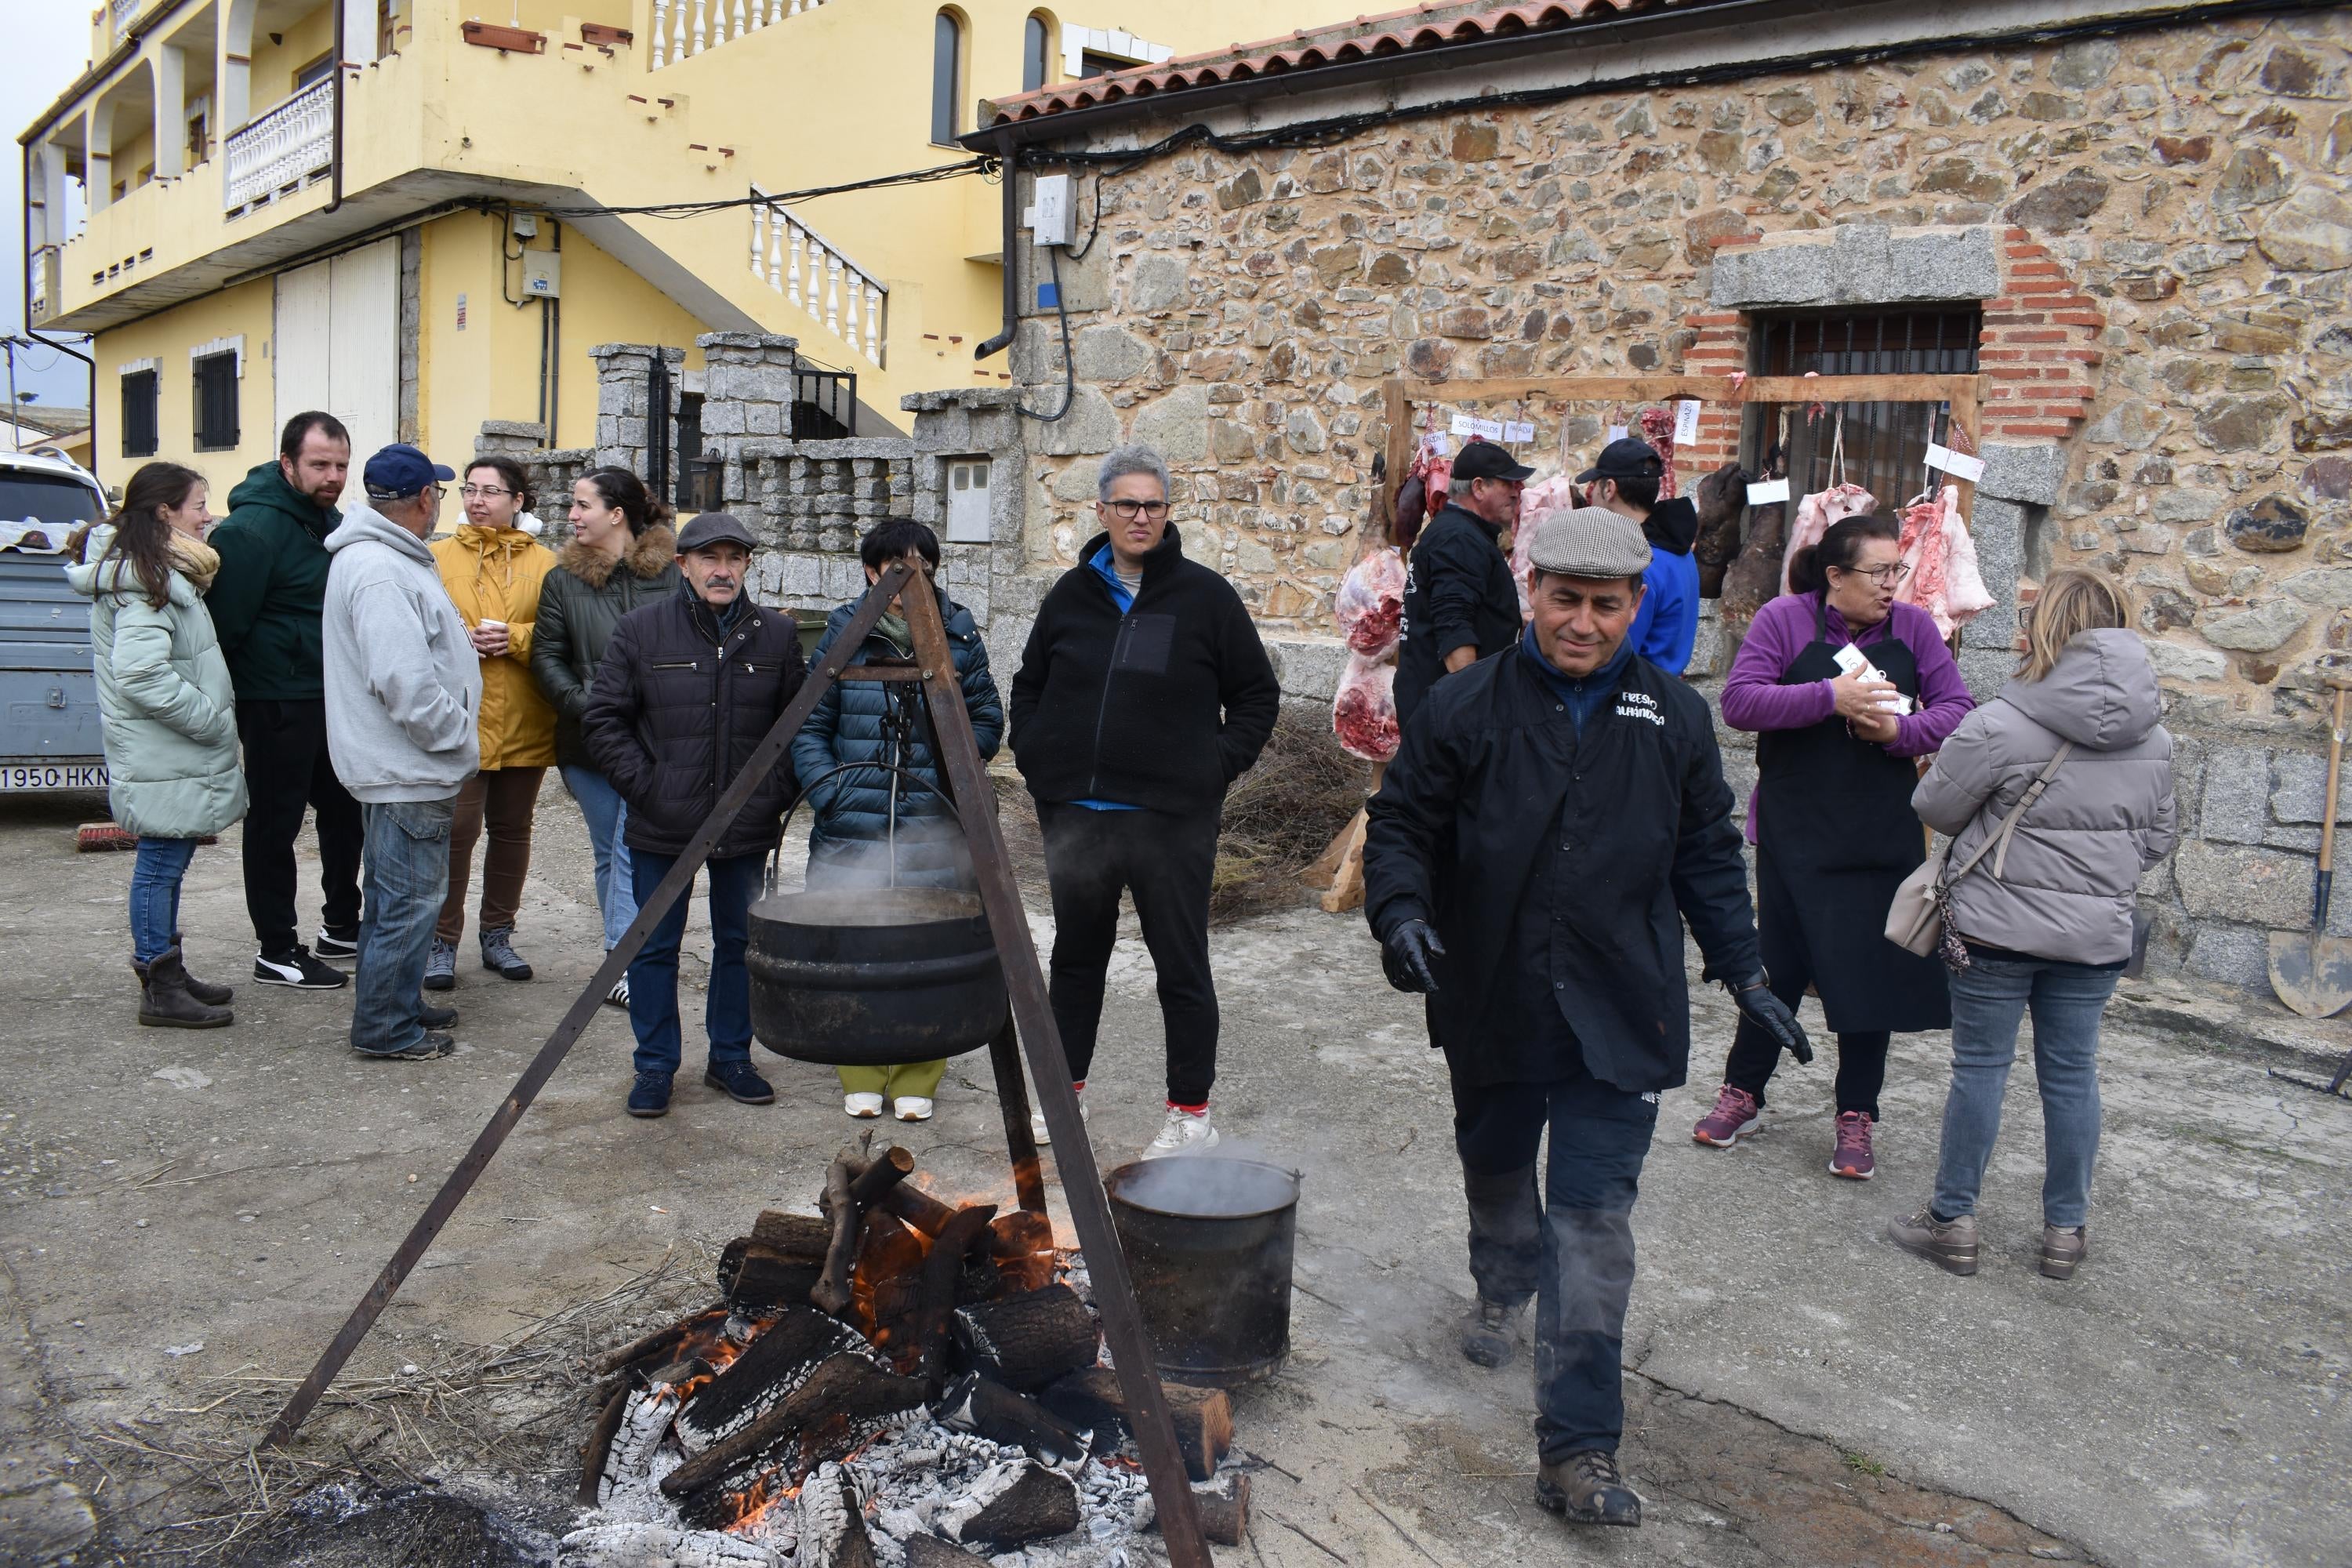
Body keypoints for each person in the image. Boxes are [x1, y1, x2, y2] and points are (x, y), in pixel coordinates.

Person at [1363, 506, 1809, 1531]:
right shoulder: (1467, 706)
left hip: (1622, 1010)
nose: (1582, 624)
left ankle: (1576, 1448)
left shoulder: (1675, 718)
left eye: (1606, 606)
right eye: (1565, 601)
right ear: (1535, 595)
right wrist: (1399, 914)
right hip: (1495, 996)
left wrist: (1746, 971)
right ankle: (1498, 1281)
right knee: (1498, 1164)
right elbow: (1403, 823)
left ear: (1634, 606)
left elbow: (1706, 852)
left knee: (1593, 1227)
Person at [1891, 569, 2176, 1281]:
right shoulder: (2157, 738)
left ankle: (1952, 1221)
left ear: (2045, 627)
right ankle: (2064, 1234)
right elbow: (2158, 840)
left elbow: (1935, 808)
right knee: (2074, 1077)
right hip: (2094, 939)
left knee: (1981, 1069)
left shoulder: (1999, 722)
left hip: (1995, 931)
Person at [1009, 444, 1280, 1160]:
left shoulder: (1205, 597)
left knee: (1180, 967)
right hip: (1078, 818)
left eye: (1152, 505)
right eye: (1126, 504)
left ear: (1167, 513)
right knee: (1075, 962)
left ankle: (1191, 1114)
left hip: (1170, 823)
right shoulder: (1070, 596)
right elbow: (1029, 683)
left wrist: (1210, 769)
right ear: (1100, 510)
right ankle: (1062, 1101)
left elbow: (1257, 696)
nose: (1139, 516)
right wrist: (1038, 756)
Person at [1697, 514, 1975, 1178]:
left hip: (1881, 834)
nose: (1891, 585)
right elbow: (1740, 702)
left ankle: (1857, 1115)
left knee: (1866, 975)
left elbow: (1959, 711)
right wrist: (1830, 696)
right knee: (1778, 965)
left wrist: (1896, 735)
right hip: (1795, 830)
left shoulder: (1914, 629)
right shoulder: (1783, 622)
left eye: (1896, 572)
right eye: (1879, 573)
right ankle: (1744, 1091)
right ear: (1834, 577)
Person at [584, 511, 805, 1119]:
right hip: (664, 823)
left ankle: (730, 1057)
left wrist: (771, 793)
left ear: (748, 567)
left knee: (740, 944)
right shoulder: (642, 630)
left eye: (735, 559)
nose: (723, 570)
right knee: (655, 947)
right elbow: (604, 722)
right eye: (710, 558)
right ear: (683, 564)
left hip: (746, 824)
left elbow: (798, 728)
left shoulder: (777, 637)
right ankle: (655, 1067)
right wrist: (649, 788)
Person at [789, 519, 1004, 1123]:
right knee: (849, 948)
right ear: (870, 572)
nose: (910, 583)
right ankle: (859, 1068)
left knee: (924, 953)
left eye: (922, 571)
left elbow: (987, 720)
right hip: (851, 822)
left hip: (929, 825)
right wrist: (831, 795)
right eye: (895, 571)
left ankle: (917, 1075)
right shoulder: (842, 633)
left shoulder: (958, 636)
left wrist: (946, 776)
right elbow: (809, 727)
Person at [67, 463, 249, 1028]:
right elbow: (141, 676)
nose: (208, 516)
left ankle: (168, 971)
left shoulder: (156, 573)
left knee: (168, 860)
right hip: (164, 749)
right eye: (199, 504)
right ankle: (159, 984)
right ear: (166, 513)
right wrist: (211, 721)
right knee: (159, 865)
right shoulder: (146, 582)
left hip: (167, 751)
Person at [321, 445, 481, 1062]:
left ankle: (398, 1004)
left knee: (401, 902)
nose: (441, 502)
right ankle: (387, 1027)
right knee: (407, 906)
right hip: (408, 771)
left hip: (402, 769)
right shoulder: (381, 568)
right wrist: (454, 739)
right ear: (422, 499)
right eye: (439, 493)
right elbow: (405, 683)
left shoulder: (383, 559)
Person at [205, 411, 362, 989]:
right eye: (320, 464)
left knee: (346, 813)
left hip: (327, 698)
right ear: (287, 463)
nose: (333, 476)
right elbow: (225, 628)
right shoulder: (251, 531)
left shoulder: (325, 520)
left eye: (342, 465)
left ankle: (343, 925)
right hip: (275, 701)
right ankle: (276, 947)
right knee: (276, 824)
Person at [531, 466, 680, 1008]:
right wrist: (587, 707)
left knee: (627, 844)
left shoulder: (671, 574)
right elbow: (546, 655)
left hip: (655, 739)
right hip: (587, 741)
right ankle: (627, 950)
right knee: (608, 851)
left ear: (616, 513)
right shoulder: (562, 579)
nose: (571, 515)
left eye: (581, 504)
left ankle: (625, 957)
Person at [425, 456, 557, 991]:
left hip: (526, 714)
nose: (477, 500)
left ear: (518, 500)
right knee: (456, 832)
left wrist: (517, 639)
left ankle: (498, 934)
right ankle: (442, 939)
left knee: (512, 831)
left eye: (491, 491)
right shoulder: (435, 557)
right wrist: (462, 638)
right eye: (470, 490)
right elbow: (425, 626)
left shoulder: (548, 564)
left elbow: (558, 632)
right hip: (462, 718)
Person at [1393, 440, 1529, 728]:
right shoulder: (1459, 539)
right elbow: (1454, 630)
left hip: (1437, 709)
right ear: (1479, 488)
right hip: (1452, 719)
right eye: (1510, 484)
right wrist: (1474, 718)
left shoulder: (1457, 533)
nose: (1519, 492)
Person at [1579, 437, 1700, 676]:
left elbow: (1618, 650)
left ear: (1609, 489)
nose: (1590, 498)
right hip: (1664, 687)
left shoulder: (1640, 563)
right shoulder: (1678, 548)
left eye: (1594, 487)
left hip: (1635, 692)